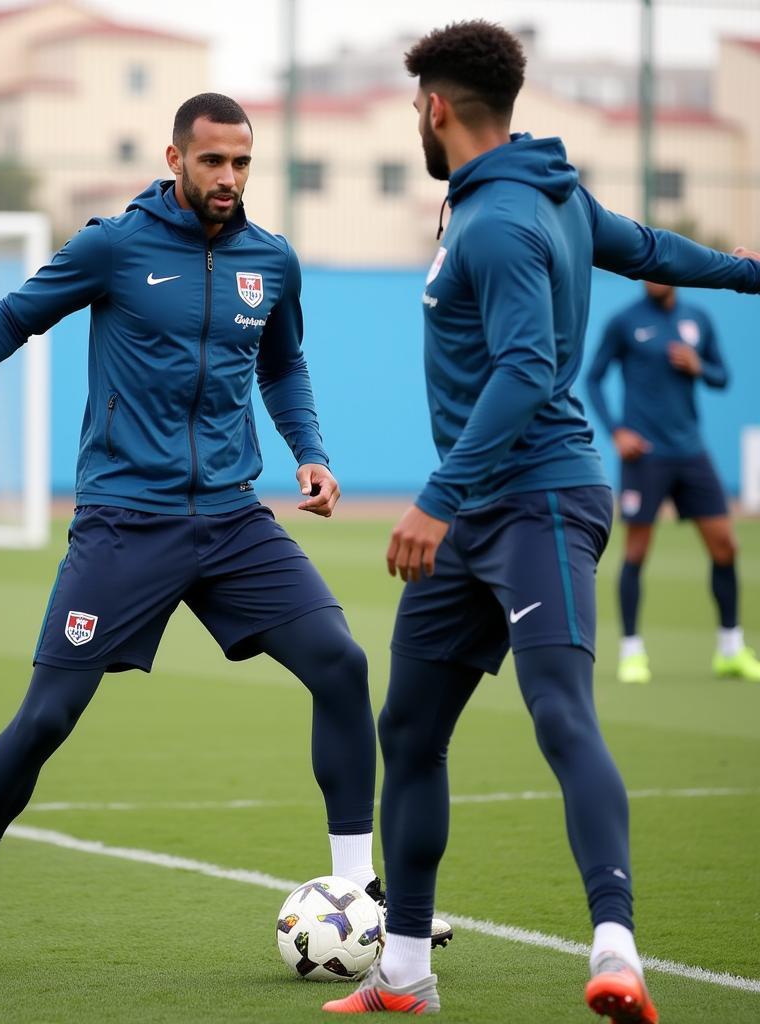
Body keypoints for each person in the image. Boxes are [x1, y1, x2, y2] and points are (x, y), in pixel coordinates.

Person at [0, 92, 393, 976]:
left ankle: (356, 892)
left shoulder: (272, 261)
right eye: (213, 162)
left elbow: (281, 363)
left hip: (234, 519)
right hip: (126, 521)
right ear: (174, 158)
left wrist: (309, 453)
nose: (230, 178)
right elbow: (17, 315)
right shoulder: (114, 246)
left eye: (242, 162)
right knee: (47, 717)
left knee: (342, 663)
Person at [321, 21, 760, 1022]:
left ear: (434, 107)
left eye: (413, 107)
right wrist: (747, 270)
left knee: (558, 708)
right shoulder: (538, 197)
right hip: (479, 508)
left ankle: (616, 949)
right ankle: (400, 972)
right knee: (410, 728)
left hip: (539, 500)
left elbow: (525, 369)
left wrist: (433, 499)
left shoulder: (500, 223)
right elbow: (650, 248)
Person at [586, 281, 760, 685]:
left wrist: (699, 366)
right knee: (636, 551)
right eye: (646, 272)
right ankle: (632, 652)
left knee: (725, 545)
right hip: (644, 455)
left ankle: (730, 650)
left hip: (691, 451)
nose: (653, 278)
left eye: (660, 271)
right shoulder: (624, 322)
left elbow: (722, 377)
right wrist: (616, 431)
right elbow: (593, 379)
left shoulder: (696, 319)